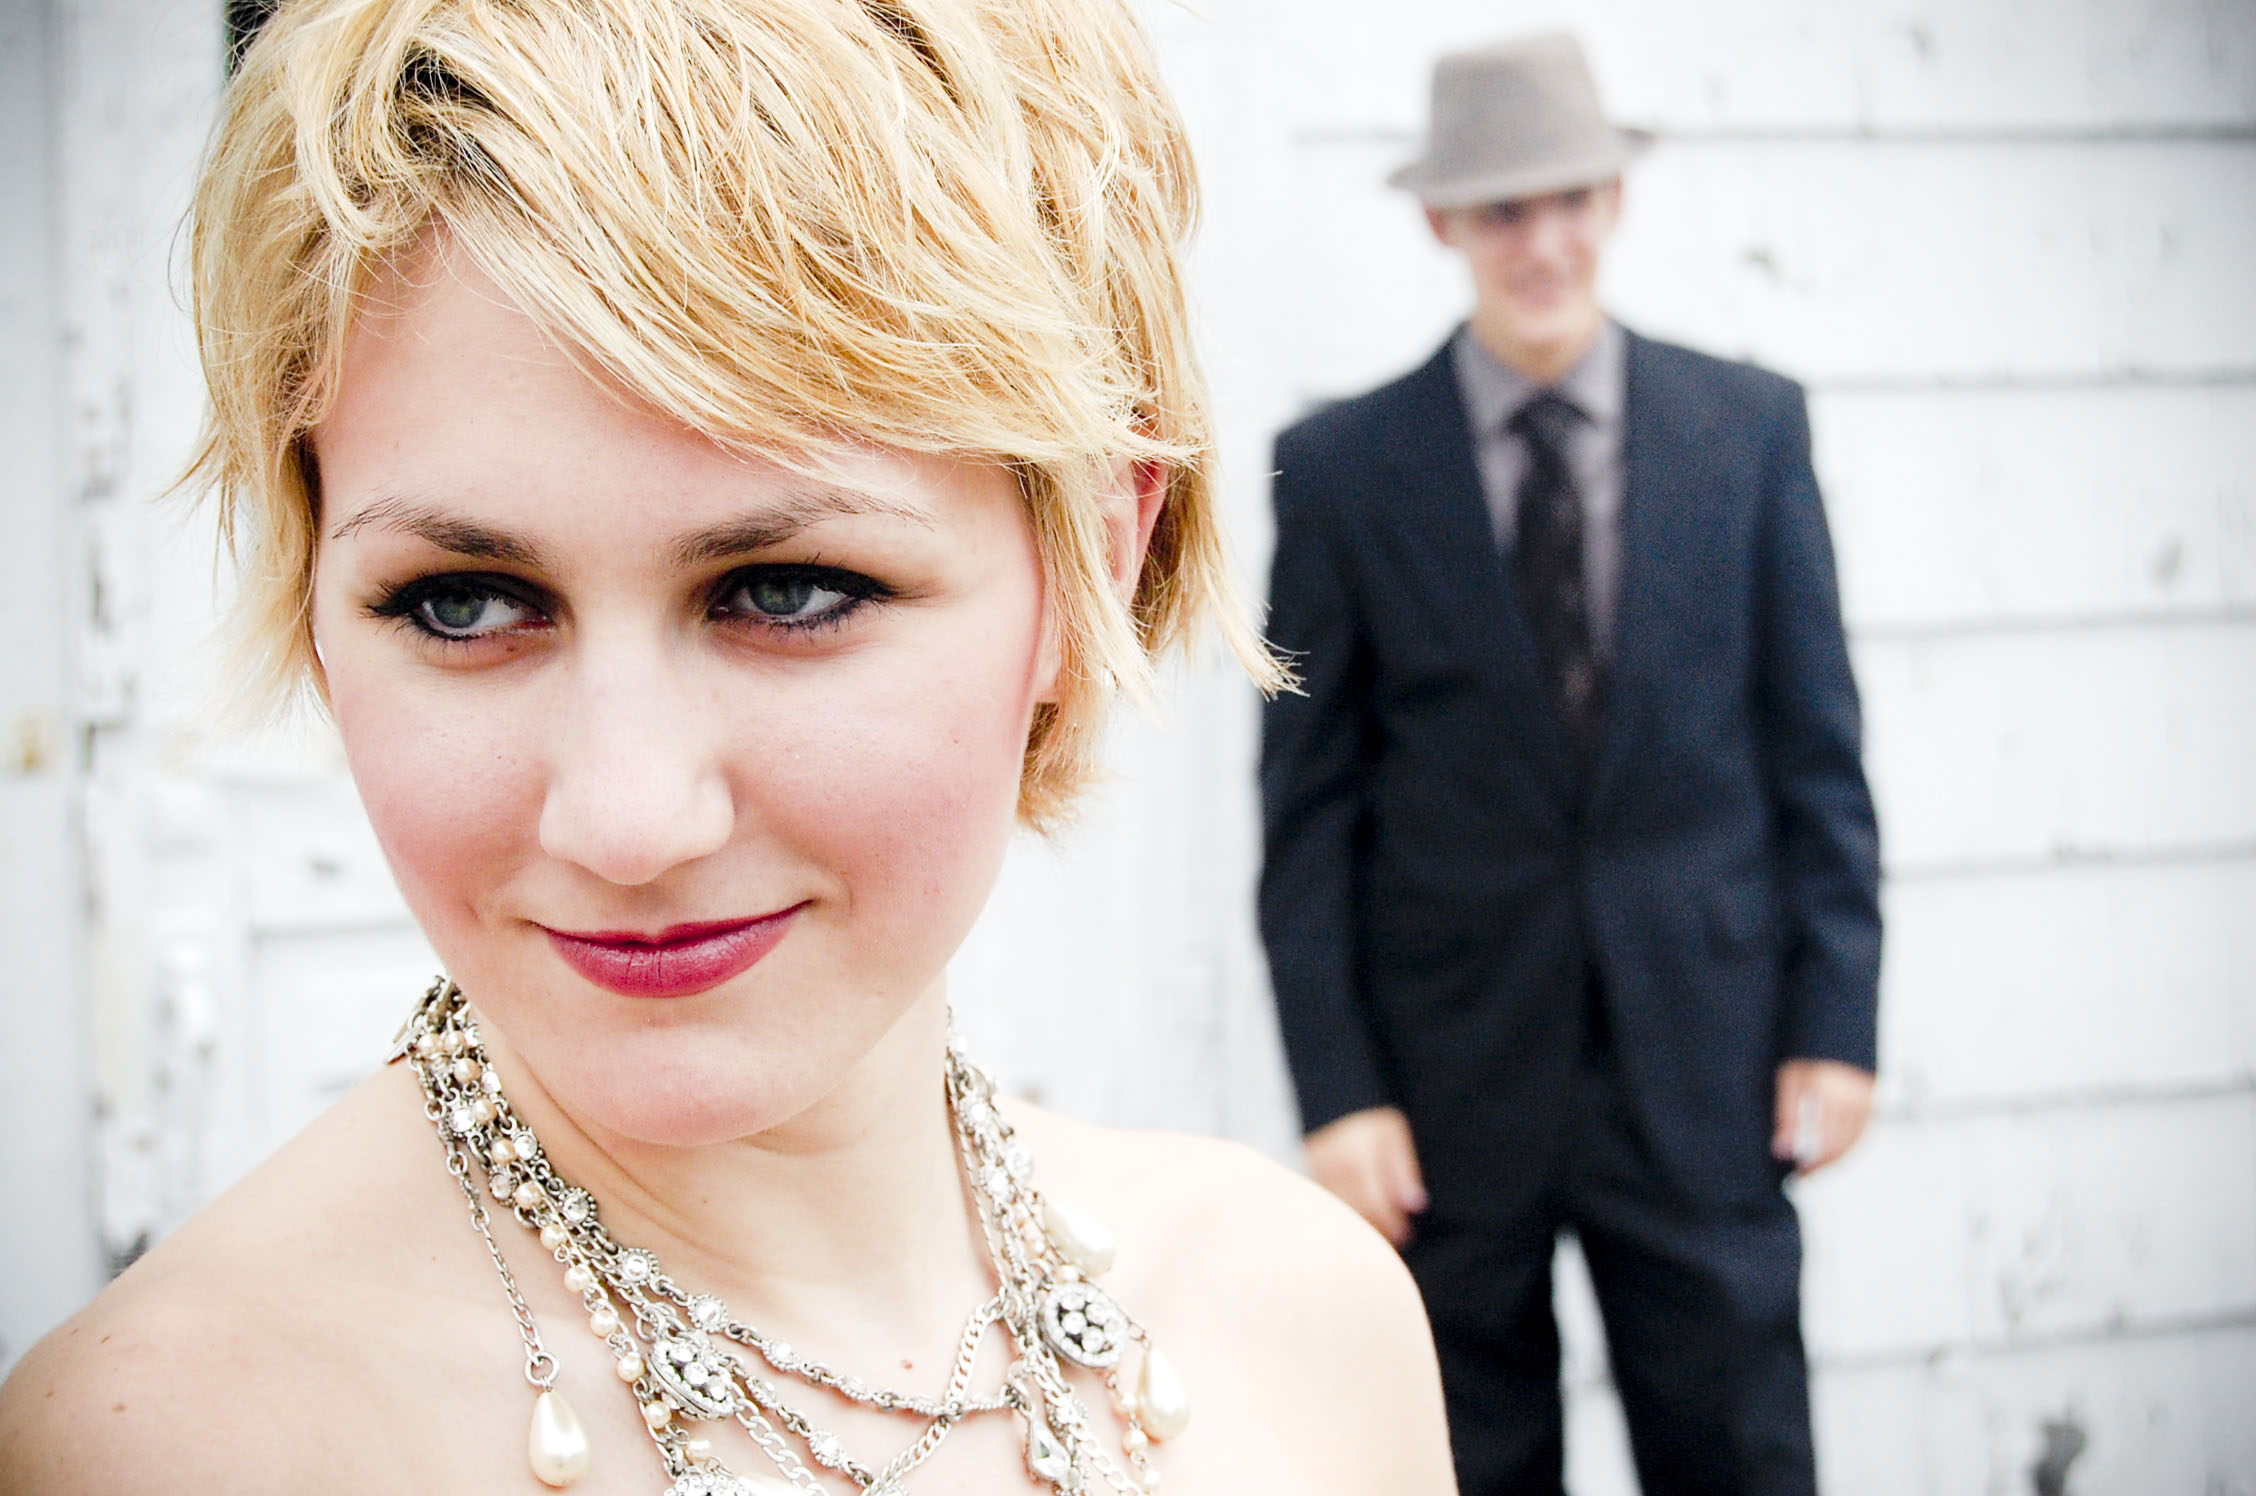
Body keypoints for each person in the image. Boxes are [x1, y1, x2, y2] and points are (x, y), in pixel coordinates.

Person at [0, 2, 1457, 1492]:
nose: (628, 819)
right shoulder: (165, 1445)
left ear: (1091, 560)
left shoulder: (1303, 1327)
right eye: (464, 602)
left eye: (788, 592)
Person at [1258, 32, 1882, 1496]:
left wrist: (1837, 1022)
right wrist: (1339, 1090)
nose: (1540, 243)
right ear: (1442, 222)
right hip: (1453, 1080)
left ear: (1614, 201)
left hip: (1707, 1057)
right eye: (1502, 211)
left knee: (1739, 1442)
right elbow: (1308, 812)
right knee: (1468, 1453)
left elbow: (1818, 750)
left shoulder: (1747, 430)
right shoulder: (1343, 469)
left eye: (1567, 202)